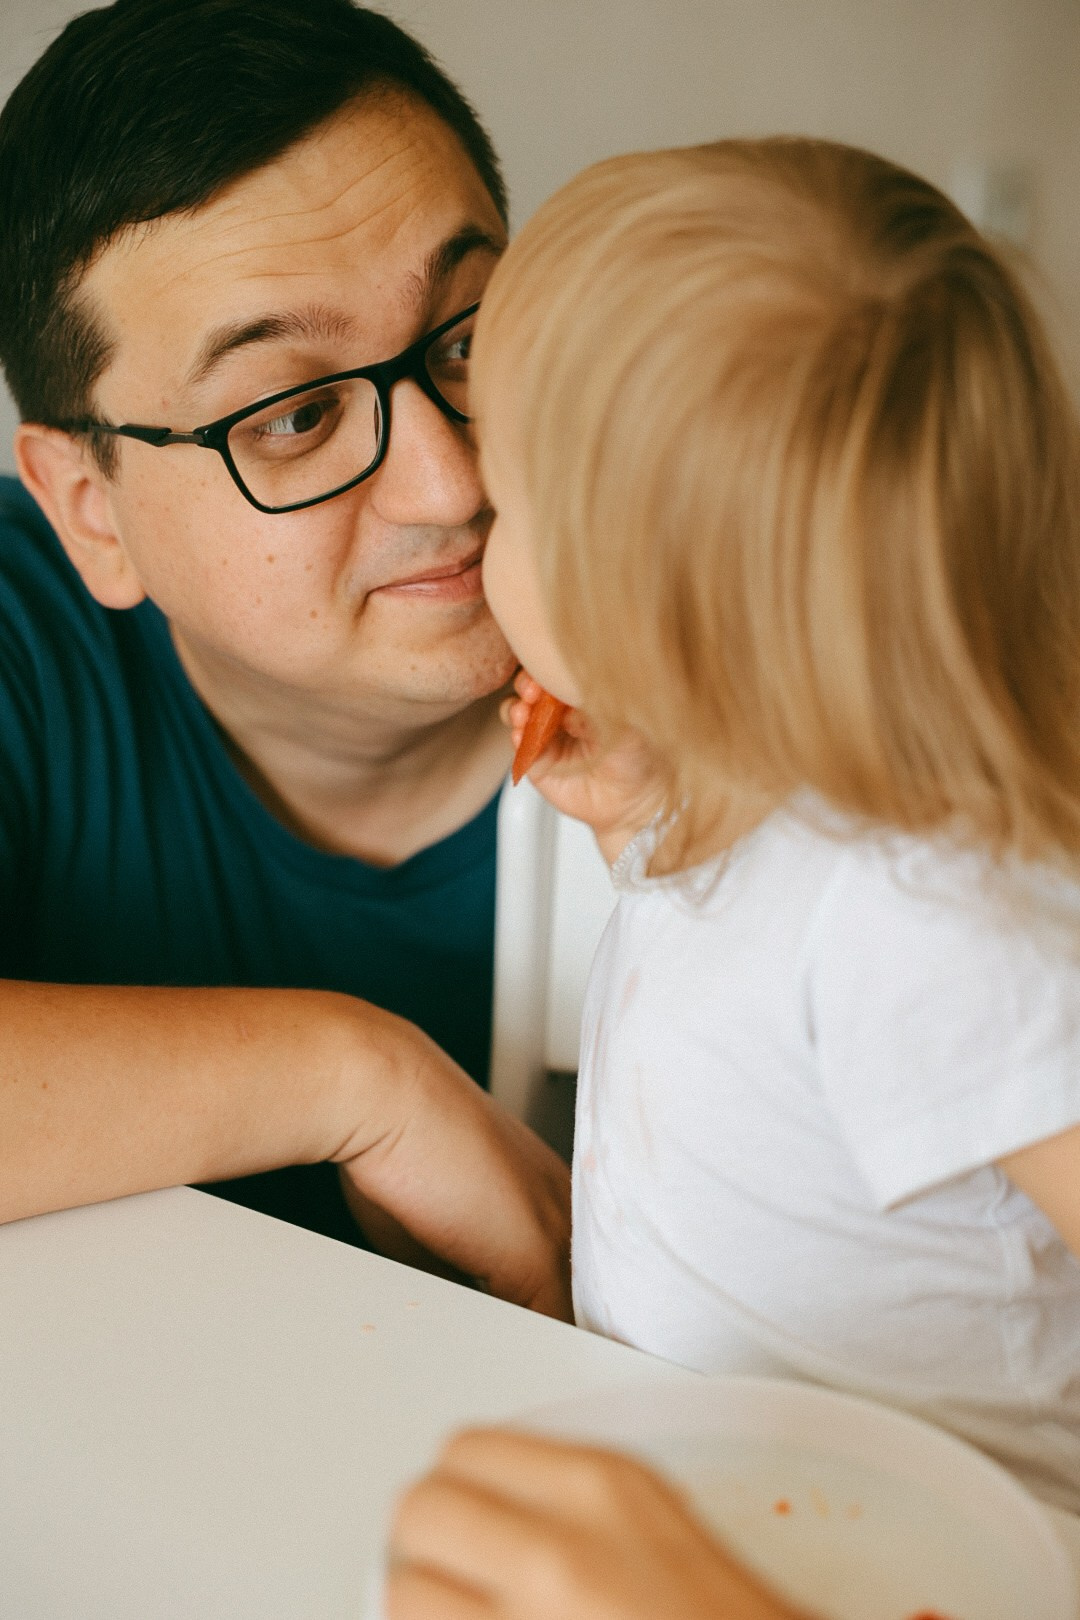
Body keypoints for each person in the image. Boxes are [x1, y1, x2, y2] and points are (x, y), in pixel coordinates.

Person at [388, 138, 1080, 1614]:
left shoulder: (940, 906)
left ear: (642, 609)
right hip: (715, 1487)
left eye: (504, 504)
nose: (458, 509)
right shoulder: (757, 774)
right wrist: (645, 807)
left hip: (945, 1555)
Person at [0, 0, 571, 1305]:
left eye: (471, 339)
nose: (449, 480)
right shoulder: (20, 626)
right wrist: (353, 1081)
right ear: (93, 509)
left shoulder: (765, 609)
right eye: (297, 413)